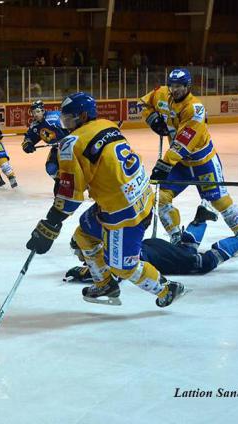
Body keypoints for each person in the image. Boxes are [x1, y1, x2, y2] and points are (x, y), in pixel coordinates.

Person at [26, 92, 187, 308]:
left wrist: (50, 223)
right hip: (139, 196)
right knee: (83, 235)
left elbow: (70, 195)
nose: (65, 124)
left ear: (82, 116)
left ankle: (167, 288)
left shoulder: (71, 144)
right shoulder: (107, 124)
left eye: (69, 118)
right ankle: (104, 284)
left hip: (122, 212)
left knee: (123, 266)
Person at [140, 68, 238, 245]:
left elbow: (183, 142)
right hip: (181, 165)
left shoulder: (195, 109)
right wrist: (152, 118)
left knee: (219, 200)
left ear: (188, 86)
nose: (175, 90)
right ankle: (176, 236)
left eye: (179, 86)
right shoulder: (161, 95)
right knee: (161, 198)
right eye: (172, 86)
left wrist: (164, 165)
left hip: (202, 163)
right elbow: (144, 103)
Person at [65, 203, 238, 282]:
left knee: (200, 264)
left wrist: (82, 275)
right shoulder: (109, 246)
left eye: (79, 252)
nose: (80, 256)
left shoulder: (105, 257)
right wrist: (82, 271)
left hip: (158, 256)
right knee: (184, 251)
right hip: (152, 245)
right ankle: (199, 221)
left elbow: (108, 276)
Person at [21, 100, 69, 180]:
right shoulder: (35, 126)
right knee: (51, 168)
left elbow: (72, 127)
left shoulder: (55, 116)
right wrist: (28, 144)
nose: (35, 114)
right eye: (33, 112)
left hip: (69, 147)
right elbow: (28, 138)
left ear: (43, 110)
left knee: (72, 167)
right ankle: (60, 182)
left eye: (37, 111)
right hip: (56, 149)